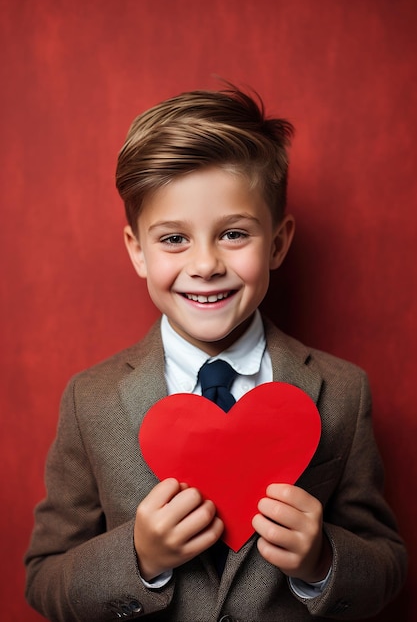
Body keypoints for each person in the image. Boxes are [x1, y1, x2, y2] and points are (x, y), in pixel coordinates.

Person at [25, 84, 407, 621]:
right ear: (137, 250)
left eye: (232, 234)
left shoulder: (343, 391)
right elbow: (44, 577)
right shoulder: (90, 399)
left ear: (277, 243)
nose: (205, 264)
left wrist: (321, 561)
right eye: (174, 239)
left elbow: (387, 563)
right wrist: (138, 558)